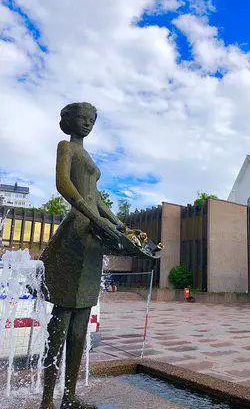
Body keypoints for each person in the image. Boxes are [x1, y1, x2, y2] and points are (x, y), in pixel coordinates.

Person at [39, 102, 127, 409]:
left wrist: (119, 225)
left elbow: (97, 198)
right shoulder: (67, 147)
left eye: (91, 119)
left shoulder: (87, 156)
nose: (87, 123)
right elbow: (63, 184)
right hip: (75, 233)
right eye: (81, 118)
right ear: (68, 121)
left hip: (92, 236)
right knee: (61, 321)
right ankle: (47, 398)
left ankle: (70, 396)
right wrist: (93, 215)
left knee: (80, 324)